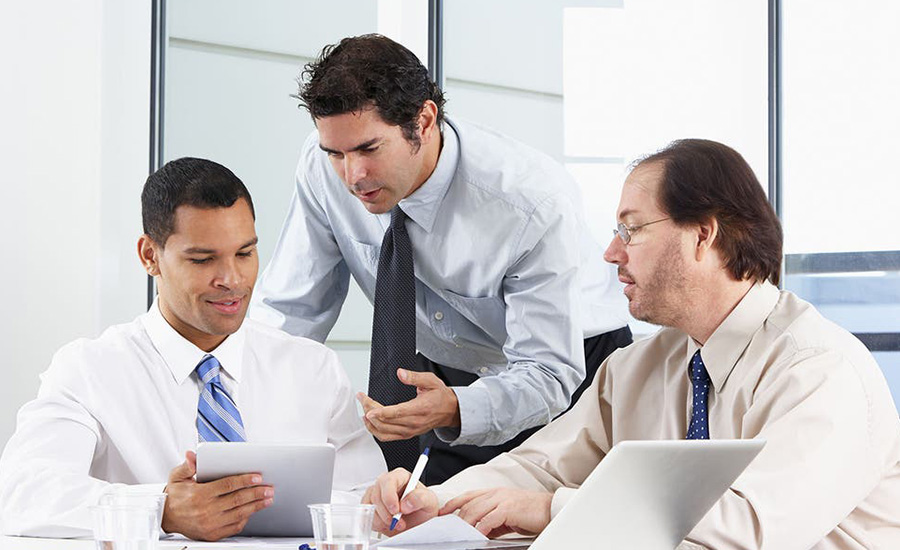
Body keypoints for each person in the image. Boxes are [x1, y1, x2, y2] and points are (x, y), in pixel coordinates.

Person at [362, 139, 900, 549]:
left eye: (631, 229)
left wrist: (553, 510)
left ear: (703, 235)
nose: (610, 253)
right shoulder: (637, 368)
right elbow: (540, 466)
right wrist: (433, 501)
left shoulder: (820, 370)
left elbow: (752, 529)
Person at [250, 34, 631, 484]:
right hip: (446, 374)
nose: (353, 176)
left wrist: (457, 406)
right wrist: (240, 400)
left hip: (570, 373)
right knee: (417, 512)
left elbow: (548, 372)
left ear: (425, 120)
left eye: (369, 149)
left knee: (556, 516)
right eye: (336, 153)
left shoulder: (529, 202)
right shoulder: (322, 169)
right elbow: (291, 313)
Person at [0, 158, 386, 541]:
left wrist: (387, 504)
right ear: (150, 256)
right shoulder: (89, 370)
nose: (232, 279)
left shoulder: (312, 368)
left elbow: (363, 498)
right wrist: (162, 509)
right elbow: (22, 493)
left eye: (245, 253)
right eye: (203, 260)